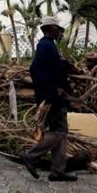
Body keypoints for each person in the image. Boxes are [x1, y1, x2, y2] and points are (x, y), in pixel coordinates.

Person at [19, 15, 78, 182]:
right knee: (60, 131)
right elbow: (35, 70)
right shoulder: (45, 45)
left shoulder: (49, 46)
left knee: (59, 132)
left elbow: (52, 68)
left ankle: (58, 171)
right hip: (52, 98)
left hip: (54, 96)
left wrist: (63, 65)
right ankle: (31, 155)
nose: (59, 32)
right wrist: (53, 89)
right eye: (57, 29)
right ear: (50, 29)